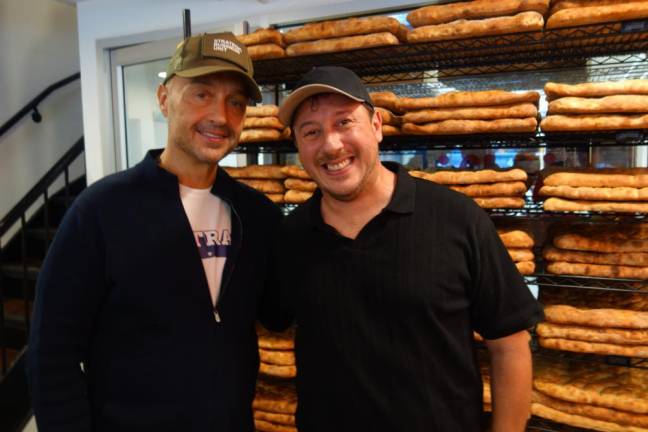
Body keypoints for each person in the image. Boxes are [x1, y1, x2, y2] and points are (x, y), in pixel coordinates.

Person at [27, 32, 282, 431]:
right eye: (201, 93)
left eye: (236, 102)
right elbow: (50, 353)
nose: (220, 115)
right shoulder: (100, 211)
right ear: (164, 99)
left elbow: (280, 312)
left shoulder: (257, 216)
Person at [273, 66, 544, 432]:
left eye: (344, 122)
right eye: (311, 132)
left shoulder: (456, 217)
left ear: (377, 126)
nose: (331, 145)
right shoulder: (291, 236)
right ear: (299, 147)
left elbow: (509, 343)